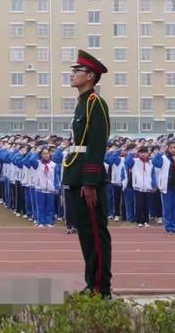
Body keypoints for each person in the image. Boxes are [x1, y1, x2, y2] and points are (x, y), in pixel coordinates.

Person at [62, 49, 112, 299]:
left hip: (87, 180)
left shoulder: (95, 104)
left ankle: (101, 288)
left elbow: (97, 144)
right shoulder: (81, 104)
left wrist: (90, 181)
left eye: (77, 71)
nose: (72, 75)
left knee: (95, 234)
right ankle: (91, 283)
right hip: (76, 177)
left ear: (90, 76)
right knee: (85, 235)